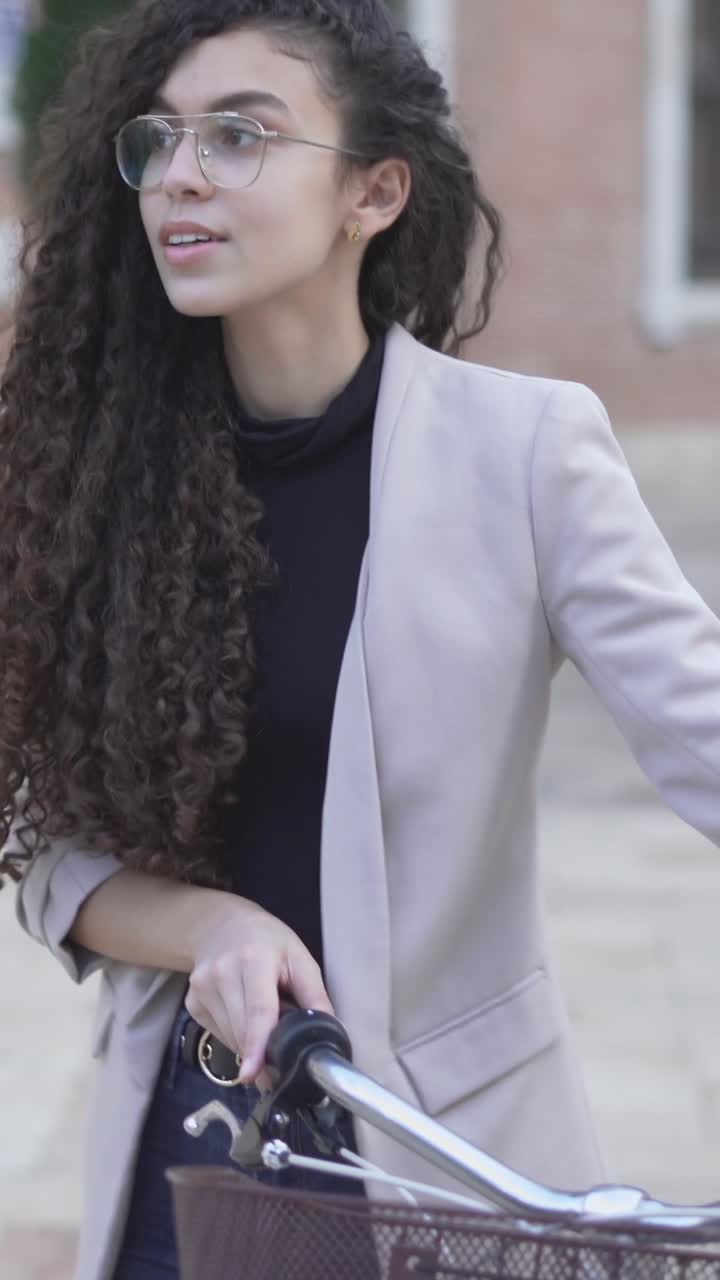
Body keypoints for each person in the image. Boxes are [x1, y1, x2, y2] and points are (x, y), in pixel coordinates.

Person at [1, 1, 719, 1277]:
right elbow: (53, 849)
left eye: (240, 135)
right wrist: (210, 924)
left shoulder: (530, 450)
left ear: (374, 192)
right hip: (187, 1162)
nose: (181, 172)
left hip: (445, 1171)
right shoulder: (97, 475)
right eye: (160, 139)